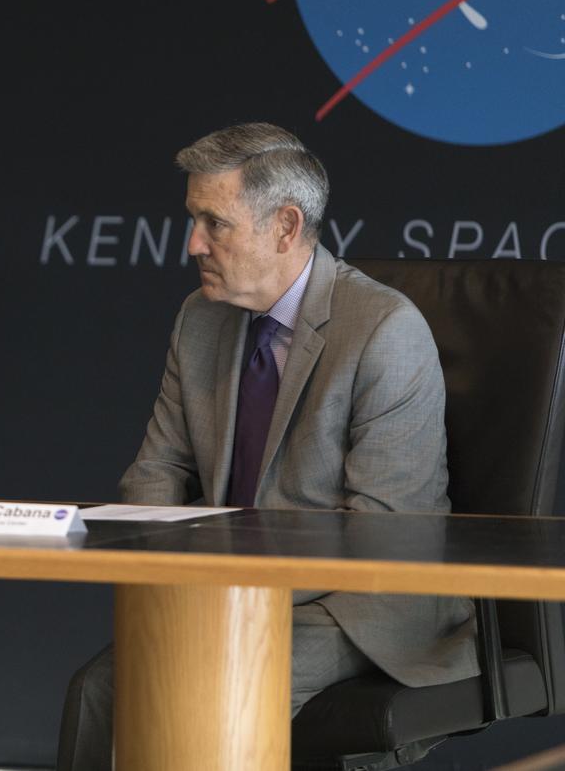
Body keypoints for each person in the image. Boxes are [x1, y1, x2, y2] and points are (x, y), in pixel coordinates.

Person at [56, 122, 477, 771]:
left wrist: (236, 583)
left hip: (360, 606)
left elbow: (383, 540)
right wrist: (177, 575)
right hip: (237, 593)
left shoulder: (384, 331)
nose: (193, 243)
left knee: (208, 688)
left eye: (214, 223)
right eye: (193, 220)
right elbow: (156, 473)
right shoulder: (201, 318)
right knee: (98, 690)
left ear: (285, 226)